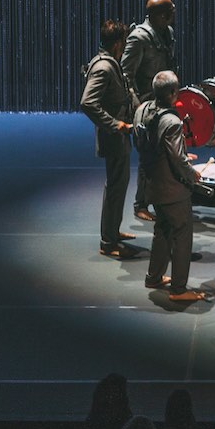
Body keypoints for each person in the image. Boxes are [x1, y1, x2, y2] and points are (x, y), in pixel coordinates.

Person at [132, 70, 205, 302]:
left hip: (151, 183)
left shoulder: (142, 109)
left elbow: (145, 144)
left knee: (162, 229)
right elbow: (178, 160)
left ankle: (153, 277)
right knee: (182, 235)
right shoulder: (172, 121)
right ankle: (179, 289)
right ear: (174, 92)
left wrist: (175, 154)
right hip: (172, 189)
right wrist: (192, 174)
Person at [81, 19, 139, 258]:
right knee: (116, 186)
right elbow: (87, 103)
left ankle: (112, 231)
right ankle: (108, 242)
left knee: (119, 183)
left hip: (119, 135)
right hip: (113, 136)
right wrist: (115, 124)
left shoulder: (109, 63)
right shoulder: (104, 68)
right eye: (124, 41)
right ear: (117, 43)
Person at [122, 0, 179, 222]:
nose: (173, 14)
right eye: (170, 10)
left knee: (164, 154)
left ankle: (162, 197)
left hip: (165, 102)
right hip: (147, 105)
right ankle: (141, 204)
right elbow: (126, 76)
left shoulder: (168, 32)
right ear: (161, 14)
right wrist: (139, 108)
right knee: (148, 157)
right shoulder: (139, 37)